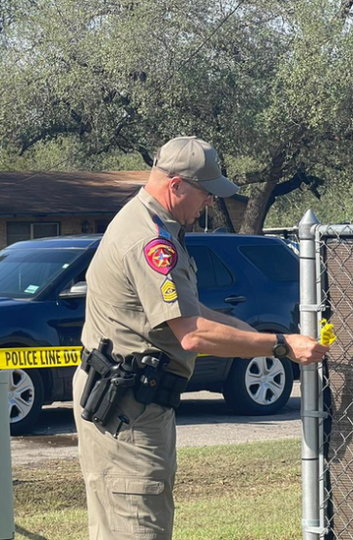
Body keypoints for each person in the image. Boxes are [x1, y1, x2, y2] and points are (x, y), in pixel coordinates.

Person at [73, 136, 330, 540]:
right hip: (130, 409)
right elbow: (191, 334)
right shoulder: (151, 241)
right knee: (138, 527)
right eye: (206, 192)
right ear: (176, 186)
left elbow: (191, 312)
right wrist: (280, 347)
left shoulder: (150, 224)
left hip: (128, 402)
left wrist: (263, 334)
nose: (209, 202)